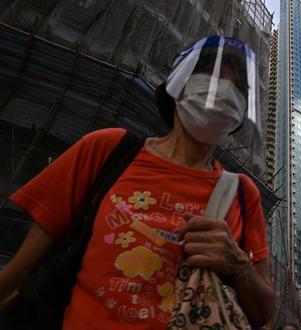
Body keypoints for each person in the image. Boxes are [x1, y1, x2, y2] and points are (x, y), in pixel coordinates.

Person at [0, 35, 275, 329]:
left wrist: (238, 264)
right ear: (179, 83)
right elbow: (19, 273)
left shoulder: (243, 193)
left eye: (236, 86)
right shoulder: (107, 150)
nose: (222, 90)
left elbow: (263, 313)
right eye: (210, 73)